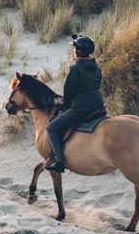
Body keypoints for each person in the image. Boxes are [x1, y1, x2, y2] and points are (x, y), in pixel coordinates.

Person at [44, 34, 103, 172]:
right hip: (98, 104)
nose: (73, 51)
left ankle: (59, 161)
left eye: (75, 48)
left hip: (81, 107)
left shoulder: (75, 69)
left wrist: (65, 104)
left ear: (79, 51)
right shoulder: (97, 68)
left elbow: (69, 91)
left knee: (52, 128)